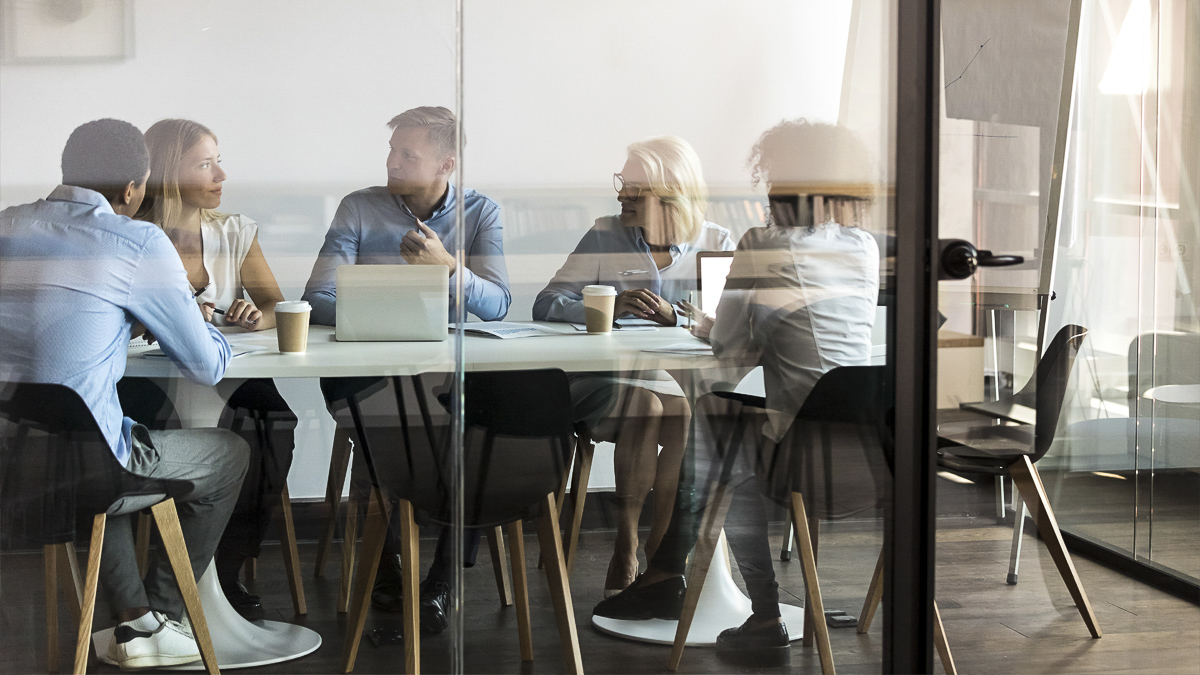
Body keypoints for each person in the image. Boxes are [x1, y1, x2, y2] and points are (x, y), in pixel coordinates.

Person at [594, 119, 881, 667]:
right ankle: (667, 571)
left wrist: (707, 326)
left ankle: (757, 610)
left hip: (799, 449)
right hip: (865, 446)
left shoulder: (764, 243)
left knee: (715, 431)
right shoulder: (862, 248)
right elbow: (773, 334)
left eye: (773, 177)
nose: (767, 189)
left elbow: (729, 350)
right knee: (715, 426)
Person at [0, 119, 248, 670]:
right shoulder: (135, 239)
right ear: (133, 189)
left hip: (13, 456)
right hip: (90, 466)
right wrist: (195, 320)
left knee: (94, 439)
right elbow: (206, 367)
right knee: (229, 454)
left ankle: (134, 621)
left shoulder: (7, 225)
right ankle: (163, 618)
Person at [301, 106, 511, 633]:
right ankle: (385, 566)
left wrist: (445, 268)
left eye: (407, 154)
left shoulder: (482, 213)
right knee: (389, 421)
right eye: (392, 150)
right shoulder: (358, 208)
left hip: (443, 373)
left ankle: (442, 578)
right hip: (368, 371)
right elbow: (316, 297)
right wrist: (400, 303)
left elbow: (498, 304)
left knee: (477, 430)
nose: (392, 161)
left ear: (446, 163)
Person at [533, 136, 735, 595]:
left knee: (679, 408)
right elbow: (546, 303)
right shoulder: (605, 233)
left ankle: (662, 550)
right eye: (622, 183)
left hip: (680, 383)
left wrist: (678, 317)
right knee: (647, 406)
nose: (621, 195)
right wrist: (606, 307)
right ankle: (626, 545)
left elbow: (730, 328)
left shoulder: (716, 241)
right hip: (605, 380)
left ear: (672, 192)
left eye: (635, 188)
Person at [135, 118, 292, 621]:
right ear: (166, 171)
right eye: (205, 164)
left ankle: (222, 570)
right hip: (151, 383)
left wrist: (252, 315)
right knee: (190, 440)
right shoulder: (132, 237)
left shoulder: (234, 231)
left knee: (275, 427)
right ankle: (175, 578)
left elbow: (275, 305)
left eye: (218, 160)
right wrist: (168, 323)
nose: (220, 174)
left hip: (231, 373)